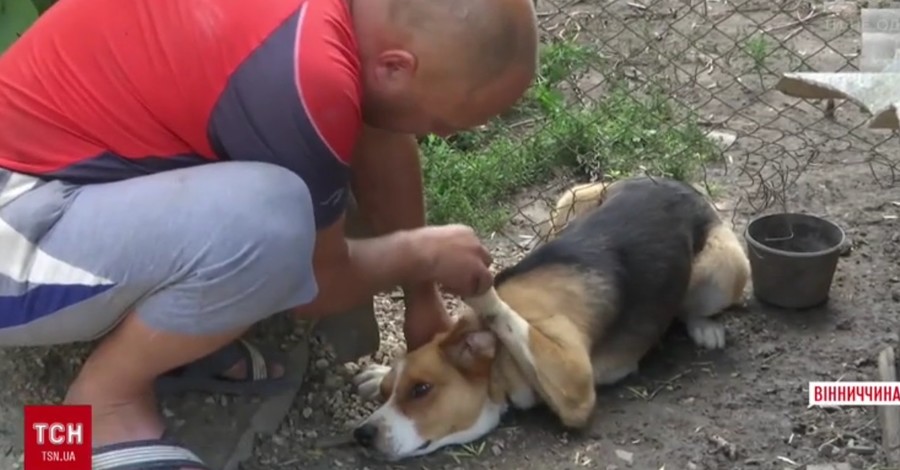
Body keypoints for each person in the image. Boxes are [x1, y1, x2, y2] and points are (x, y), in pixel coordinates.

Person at [0, 0, 539, 467]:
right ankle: (84, 421)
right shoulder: (308, 77)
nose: (434, 134)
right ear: (396, 67)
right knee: (276, 224)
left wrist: (421, 297)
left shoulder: (345, 32)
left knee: (298, 198)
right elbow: (316, 284)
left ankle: (176, 335)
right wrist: (421, 255)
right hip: (17, 227)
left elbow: (381, 132)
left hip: (66, 186)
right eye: (445, 123)